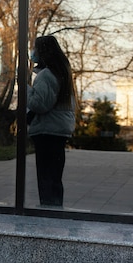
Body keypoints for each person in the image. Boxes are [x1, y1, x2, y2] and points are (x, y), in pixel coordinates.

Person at [27, 35, 76, 207]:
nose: (32, 52)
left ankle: (48, 210)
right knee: (55, 176)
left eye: (35, 48)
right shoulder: (63, 72)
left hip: (47, 129)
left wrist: (25, 89)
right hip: (59, 128)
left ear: (43, 52)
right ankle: (55, 209)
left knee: (46, 175)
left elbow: (40, 104)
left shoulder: (47, 75)